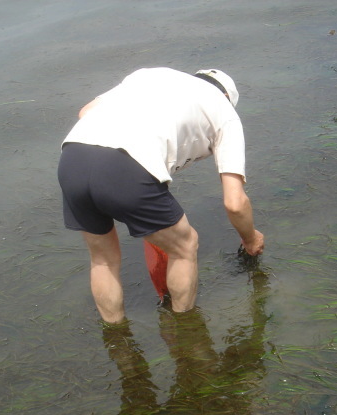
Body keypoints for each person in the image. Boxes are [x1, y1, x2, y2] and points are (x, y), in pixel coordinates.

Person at [57, 67, 265, 323]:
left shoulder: (149, 75)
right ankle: (184, 329)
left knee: (102, 261)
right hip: (125, 167)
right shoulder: (225, 114)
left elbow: (85, 112)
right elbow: (235, 203)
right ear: (227, 97)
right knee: (185, 246)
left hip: (73, 157)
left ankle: (118, 342)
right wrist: (251, 238)